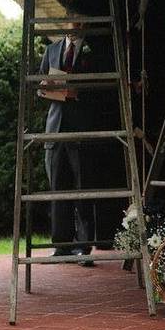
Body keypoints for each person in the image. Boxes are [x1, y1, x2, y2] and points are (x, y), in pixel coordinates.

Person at [38, 18, 113, 266]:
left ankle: (84, 246)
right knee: (58, 189)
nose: (74, 26)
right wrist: (46, 88)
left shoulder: (98, 51)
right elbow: (39, 85)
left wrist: (78, 93)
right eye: (70, 21)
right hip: (56, 128)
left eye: (79, 22)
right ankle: (62, 245)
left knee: (84, 188)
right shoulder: (51, 50)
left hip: (83, 129)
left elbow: (105, 88)